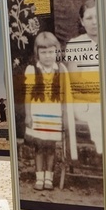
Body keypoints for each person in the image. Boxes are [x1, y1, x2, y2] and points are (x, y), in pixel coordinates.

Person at [24, 32, 69, 191]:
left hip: (54, 115)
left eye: (51, 52)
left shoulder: (61, 70)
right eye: (43, 52)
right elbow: (28, 94)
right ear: (37, 53)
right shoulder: (32, 70)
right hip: (38, 114)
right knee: (39, 147)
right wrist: (28, 115)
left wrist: (65, 116)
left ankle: (49, 177)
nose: (48, 56)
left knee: (50, 147)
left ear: (56, 51)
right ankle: (39, 177)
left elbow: (64, 96)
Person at [63, 0, 103, 155]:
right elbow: (74, 82)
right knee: (98, 111)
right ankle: (104, 155)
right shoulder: (75, 44)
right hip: (84, 101)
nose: (94, 22)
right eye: (89, 18)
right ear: (82, 21)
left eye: (97, 16)